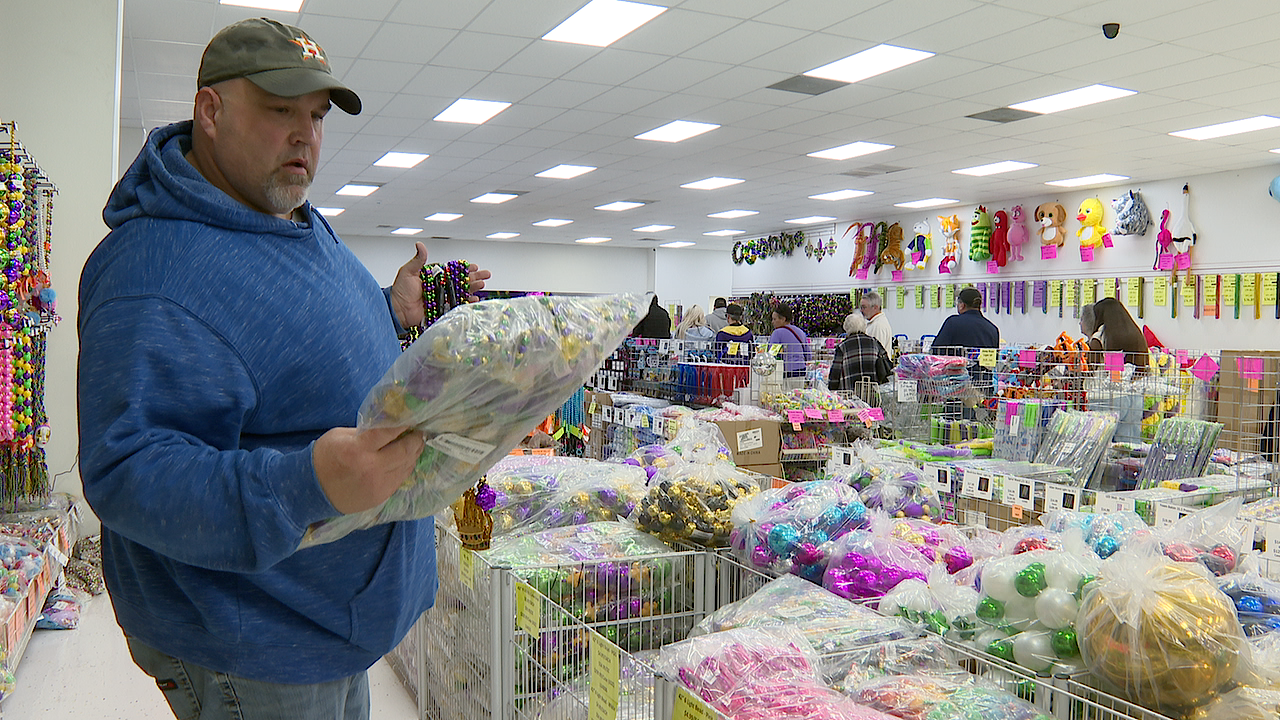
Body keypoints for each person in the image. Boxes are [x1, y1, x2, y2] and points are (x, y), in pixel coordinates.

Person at [78, 18, 489, 720]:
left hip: (328, 626)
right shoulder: (151, 272)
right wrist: (305, 484)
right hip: (256, 651)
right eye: (280, 111)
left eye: (317, 116)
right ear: (211, 111)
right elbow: (128, 472)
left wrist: (390, 309)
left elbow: (291, 343)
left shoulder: (282, 212)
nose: (306, 136)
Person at [829, 312, 892, 391]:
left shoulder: (842, 346)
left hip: (850, 393)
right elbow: (886, 362)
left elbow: (835, 373)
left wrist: (831, 390)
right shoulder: (874, 342)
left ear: (846, 328)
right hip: (873, 392)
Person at [1081, 297, 1149, 370]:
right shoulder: (1136, 333)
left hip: (1110, 376)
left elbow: (1092, 368)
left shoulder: (1100, 337)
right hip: (1139, 375)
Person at [933, 287, 1000, 352]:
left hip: (957, 360)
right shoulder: (993, 329)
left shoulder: (952, 323)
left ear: (962, 305)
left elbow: (936, 350)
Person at [768, 303, 812, 382]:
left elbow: (771, 354)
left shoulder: (777, 333)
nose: (772, 322)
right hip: (801, 370)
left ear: (783, 319)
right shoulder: (800, 332)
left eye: (774, 319)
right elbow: (808, 355)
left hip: (785, 371)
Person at [859, 290, 894, 355]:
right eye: (861, 307)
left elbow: (876, 352)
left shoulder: (878, 326)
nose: (861, 310)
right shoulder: (875, 323)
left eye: (864, 307)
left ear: (875, 307)